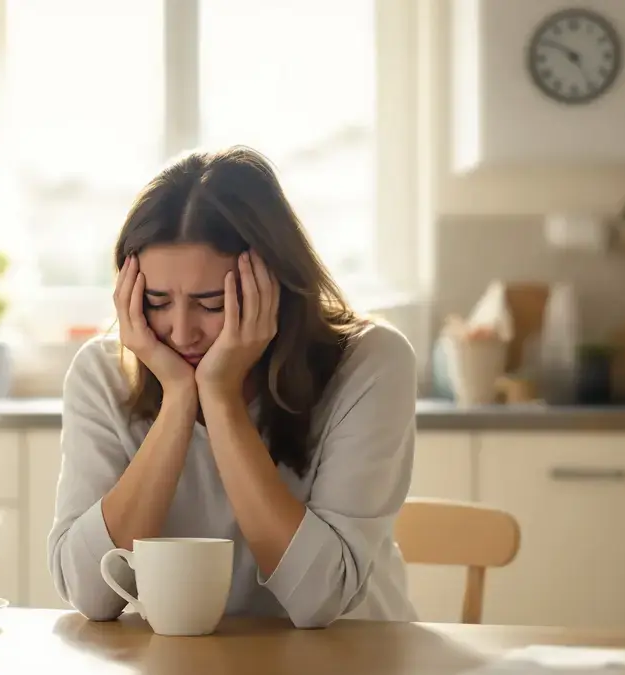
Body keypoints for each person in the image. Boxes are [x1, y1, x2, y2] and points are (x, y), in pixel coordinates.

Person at [46, 145, 418, 628]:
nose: (181, 332)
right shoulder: (102, 374)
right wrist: (180, 400)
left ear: (276, 287)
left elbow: (318, 599)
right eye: (158, 301)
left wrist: (220, 400)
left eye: (211, 302)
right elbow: (90, 593)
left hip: (346, 657)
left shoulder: (370, 362)